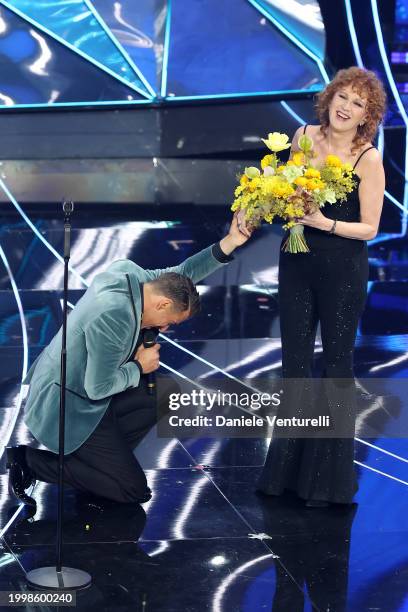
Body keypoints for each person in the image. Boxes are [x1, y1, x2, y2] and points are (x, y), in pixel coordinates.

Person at [7, 213, 252, 510]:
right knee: (131, 490)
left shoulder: (133, 277)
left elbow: (182, 274)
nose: (166, 328)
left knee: (164, 392)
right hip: (66, 405)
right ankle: (29, 462)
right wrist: (139, 366)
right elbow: (98, 387)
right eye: (170, 320)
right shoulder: (115, 316)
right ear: (162, 304)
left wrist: (229, 242)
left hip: (77, 391)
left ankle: (101, 464)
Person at [239, 67, 386, 506]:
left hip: (343, 268)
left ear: (366, 116)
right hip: (297, 261)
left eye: (358, 103)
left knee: (337, 367)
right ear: (330, 99)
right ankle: (285, 475)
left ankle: (328, 482)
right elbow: (287, 193)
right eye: (342, 96)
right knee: (295, 366)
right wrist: (270, 203)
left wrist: (324, 222)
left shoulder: (368, 158)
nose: (346, 107)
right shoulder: (303, 136)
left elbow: (370, 228)